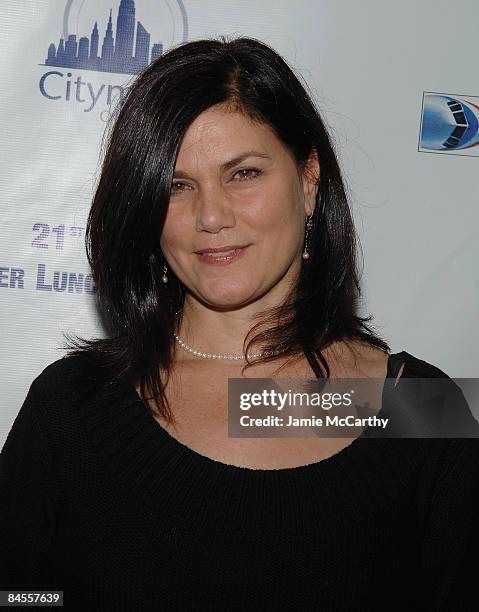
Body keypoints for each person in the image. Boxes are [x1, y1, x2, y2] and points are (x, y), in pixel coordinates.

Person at [1, 35, 478, 610]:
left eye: (243, 173)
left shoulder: (419, 405)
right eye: (177, 186)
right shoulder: (72, 404)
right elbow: (20, 595)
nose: (210, 215)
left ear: (308, 180)